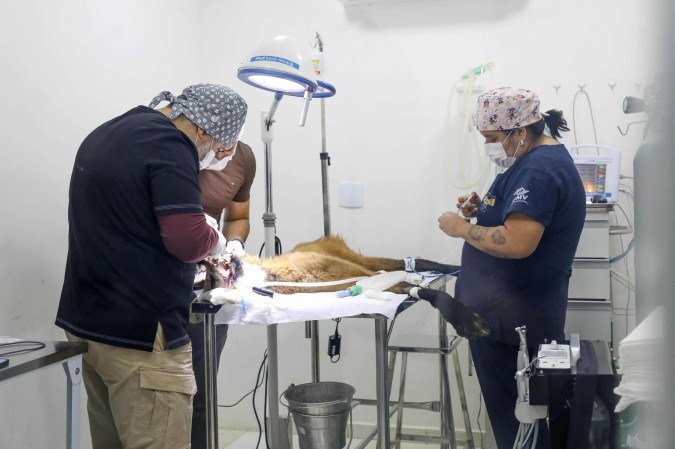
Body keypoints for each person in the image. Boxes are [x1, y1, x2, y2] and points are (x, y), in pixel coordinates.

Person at [56, 84, 247, 449]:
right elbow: (187, 240)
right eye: (219, 148)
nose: (214, 158)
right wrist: (215, 239)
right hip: (140, 337)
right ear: (203, 129)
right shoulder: (171, 145)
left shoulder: (110, 132)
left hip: (87, 324)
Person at [437, 87, 586, 449]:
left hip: (514, 325)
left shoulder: (539, 169)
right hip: (506, 319)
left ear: (519, 131)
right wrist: (484, 209)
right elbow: (517, 217)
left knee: (522, 426)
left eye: (492, 139)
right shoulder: (530, 161)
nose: (489, 147)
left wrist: (461, 228)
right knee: (519, 423)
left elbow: (518, 242)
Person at [188, 141, 256, 449]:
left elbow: (238, 217)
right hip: (164, 287)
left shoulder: (242, 157)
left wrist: (233, 244)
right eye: (219, 147)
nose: (225, 153)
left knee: (202, 393)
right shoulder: (176, 149)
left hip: (209, 291)